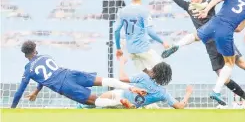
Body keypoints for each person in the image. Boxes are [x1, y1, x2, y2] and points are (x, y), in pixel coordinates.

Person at [158, 0, 245, 107]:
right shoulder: (189, 6)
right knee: (225, 76)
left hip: (212, 35)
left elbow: (214, 1)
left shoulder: (207, 3)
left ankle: (177, 45)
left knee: (239, 64)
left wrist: (205, 7)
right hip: (216, 40)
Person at [11, 40, 146, 108]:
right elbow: (45, 76)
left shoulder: (28, 70)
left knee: (94, 101)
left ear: (25, 55)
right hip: (70, 73)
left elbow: (19, 91)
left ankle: (120, 102)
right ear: (35, 50)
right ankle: (131, 87)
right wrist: (36, 91)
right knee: (104, 80)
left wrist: (12, 108)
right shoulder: (45, 56)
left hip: (64, 85)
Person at [98, 56, 193, 109]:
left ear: (155, 71)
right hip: (131, 104)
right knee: (109, 105)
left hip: (119, 94)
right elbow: (180, 106)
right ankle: (127, 105)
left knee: (97, 101)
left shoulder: (144, 77)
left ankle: (121, 103)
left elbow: (122, 78)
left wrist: (122, 62)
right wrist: (188, 93)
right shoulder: (163, 93)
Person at [114, 0, 169, 73]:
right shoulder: (144, 11)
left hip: (131, 51)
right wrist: (163, 42)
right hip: (144, 49)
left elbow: (116, 31)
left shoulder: (123, 11)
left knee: (146, 74)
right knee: (163, 71)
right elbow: (150, 31)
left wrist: (118, 48)